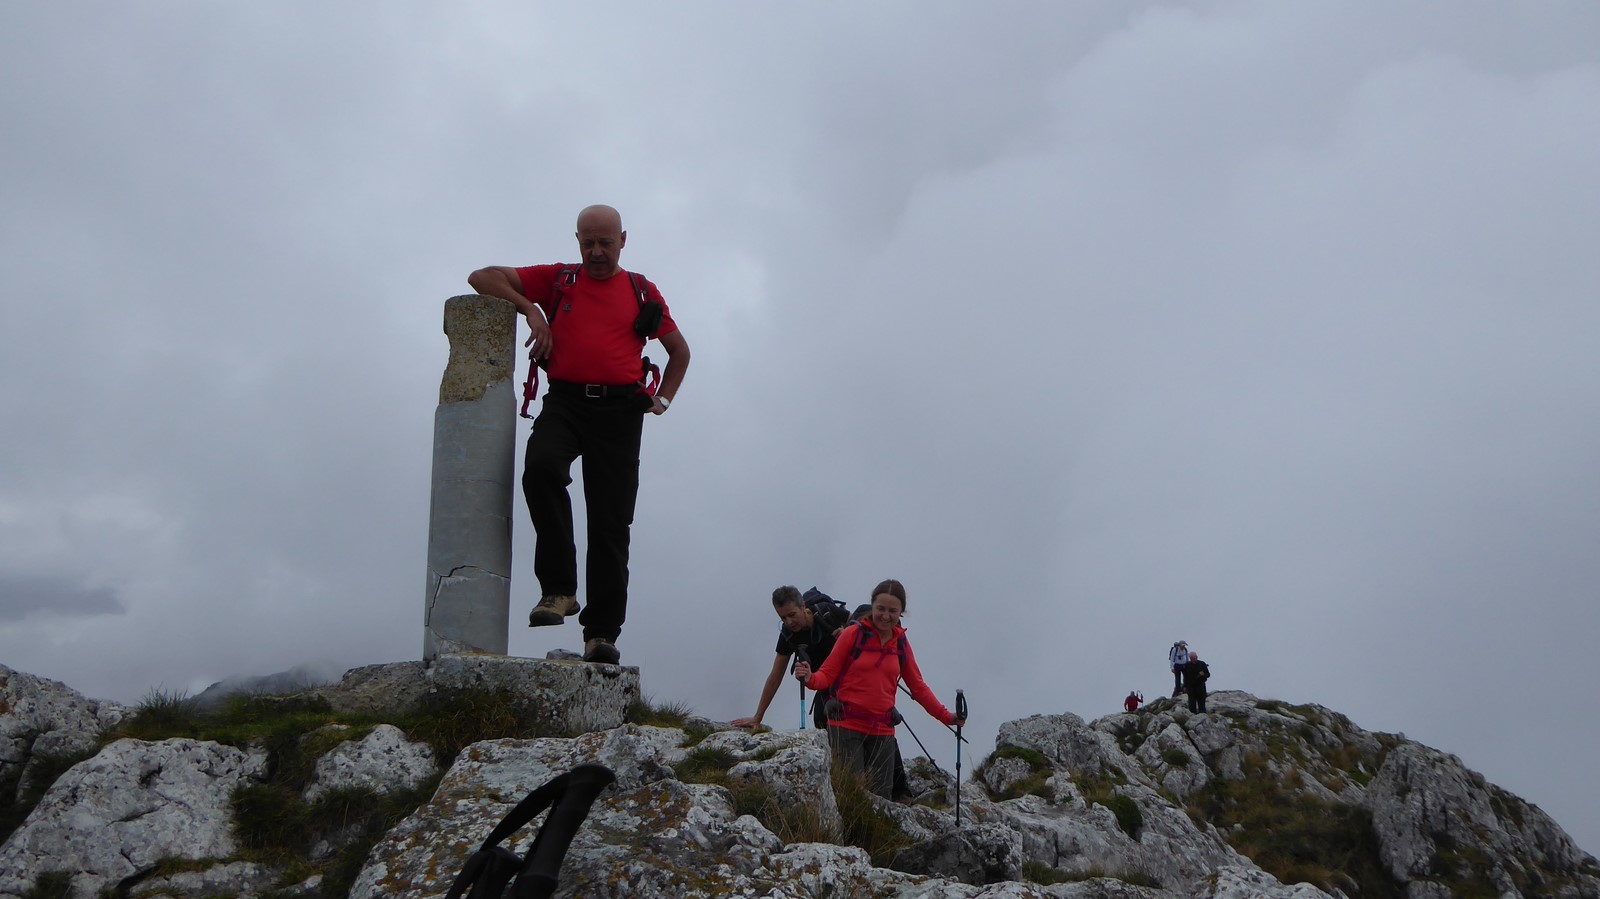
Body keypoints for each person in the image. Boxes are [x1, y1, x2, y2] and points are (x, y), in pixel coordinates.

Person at [467, 205, 690, 665]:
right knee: (540, 469)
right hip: (566, 401)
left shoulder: (641, 289)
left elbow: (679, 352)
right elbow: (481, 277)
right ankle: (559, 590)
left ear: (623, 240)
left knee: (610, 523)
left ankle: (601, 633)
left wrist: (663, 399)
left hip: (621, 411)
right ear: (577, 241)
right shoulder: (559, 279)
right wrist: (531, 309)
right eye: (588, 243)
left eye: (605, 242)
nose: (597, 252)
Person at [793, 579, 963, 799]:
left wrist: (947, 717)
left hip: (882, 731)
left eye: (892, 611)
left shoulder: (900, 643)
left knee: (881, 800)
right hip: (845, 726)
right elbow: (827, 674)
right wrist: (810, 678)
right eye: (880, 609)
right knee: (851, 797)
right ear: (872, 606)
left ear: (901, 612)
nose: (885, 615)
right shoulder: (852, 634)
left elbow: (918, 687)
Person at [732, 586, 851, 732]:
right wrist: (758, 717)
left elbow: (861, 624)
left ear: (803, 606)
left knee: (841, 715)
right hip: (826, 682)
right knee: (821, 720)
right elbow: (775, 676)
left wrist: (848, 632)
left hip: (852, 675)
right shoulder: (788, 636)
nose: (789, 622)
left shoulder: (826, 612)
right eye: (783, 618)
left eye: (792, 615)